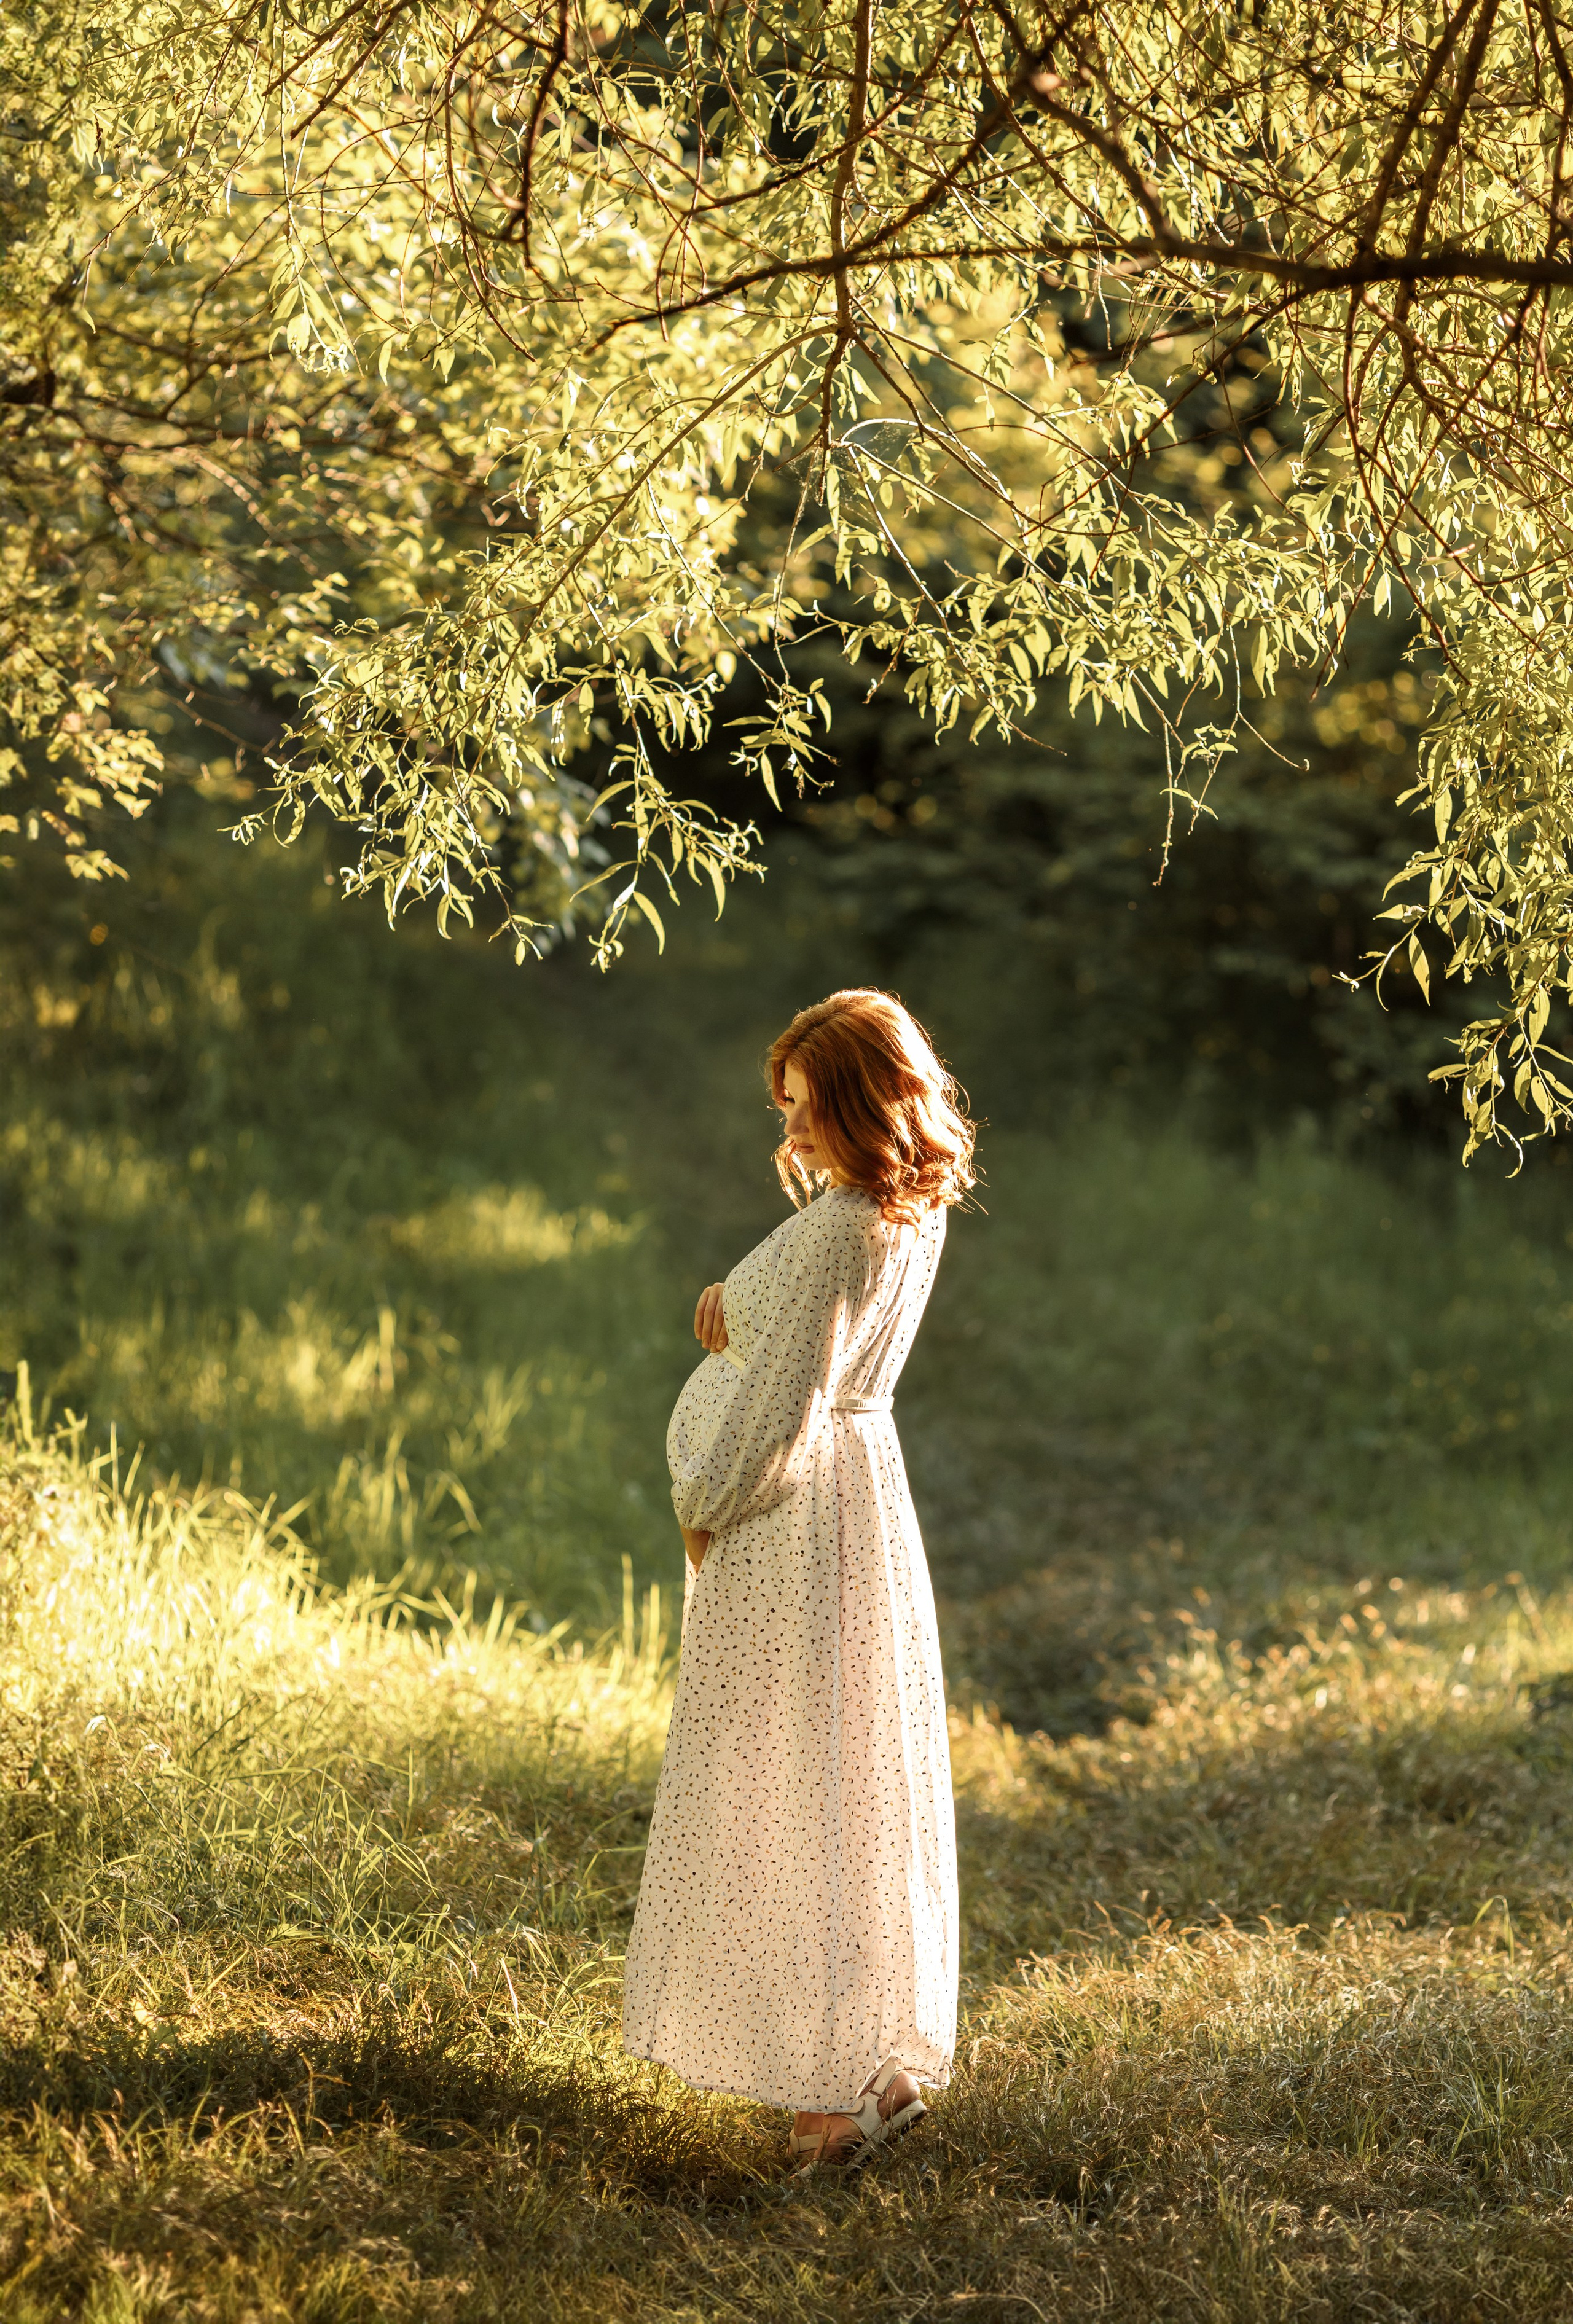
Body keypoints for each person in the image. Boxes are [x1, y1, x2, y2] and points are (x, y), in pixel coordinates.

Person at [621, 987, 976, 2171]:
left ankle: (830, 2100)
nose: (796, 1133)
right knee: (846, 1776)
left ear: (868, 1101)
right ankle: (867, 2061)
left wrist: (703, 1510)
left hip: (789, 1516)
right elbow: (803, 1341)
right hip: (859, 1500)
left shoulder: (838, 1227)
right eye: (787, 1110)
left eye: (813, 1110)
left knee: (790, 1789)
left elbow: (783, 1408)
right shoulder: (898, 1212)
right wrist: (737, 1309)